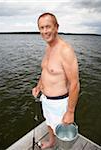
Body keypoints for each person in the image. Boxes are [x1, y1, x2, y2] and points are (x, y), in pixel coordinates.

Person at [32, 12, 80, 149]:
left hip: (60, 103)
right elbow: (46, 71)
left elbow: (75, 84)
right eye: (41, 28)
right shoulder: (48, 47)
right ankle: (52, 142)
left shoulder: (65, 51)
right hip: (46, 99)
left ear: (56, 27)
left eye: (48, 27)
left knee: (62, 134)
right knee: (48, 122)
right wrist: (38, 86)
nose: (44, 31)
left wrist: (70, 112)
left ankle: (60, 146)